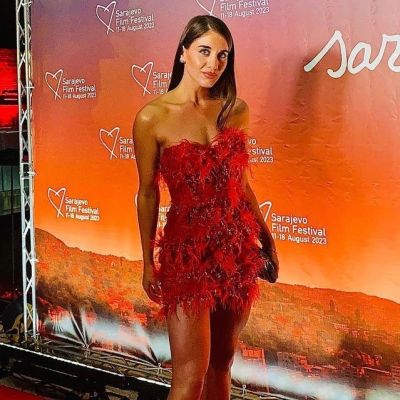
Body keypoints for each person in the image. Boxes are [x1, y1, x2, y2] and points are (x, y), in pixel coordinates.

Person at [133, 14, 278, 400]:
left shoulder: (235, 110)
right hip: (186, 252)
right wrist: (147, 262)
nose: (213, 63)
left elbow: (240, 183)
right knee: (189, 376)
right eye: (204, 51)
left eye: (222, 55)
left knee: (221, 365)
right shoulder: (152, 117)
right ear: (183, 53)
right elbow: (147, 194)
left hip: (236, 249)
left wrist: (267, 240)